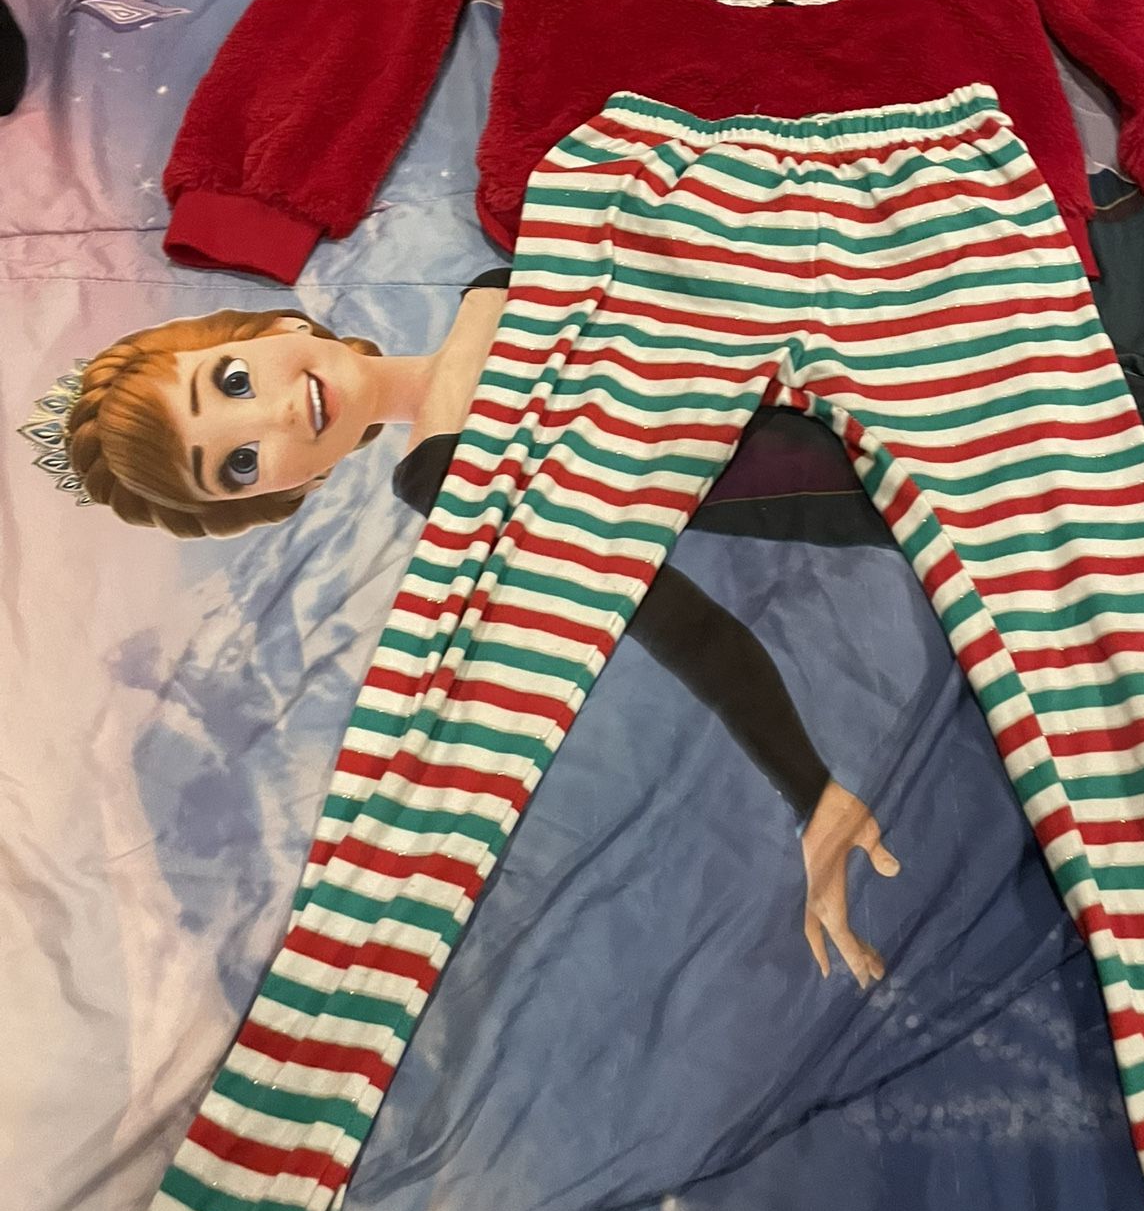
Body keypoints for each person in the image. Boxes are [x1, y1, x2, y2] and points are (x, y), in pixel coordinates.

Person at [52, 273, 901, 987]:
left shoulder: (493, 302)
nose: (274, 416)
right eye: (240, 463)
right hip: (873, 473)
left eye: (233, 381)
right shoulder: (448, 475)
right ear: (290, 490)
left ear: (275, 328)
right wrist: (810, 789)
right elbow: (671, 618)